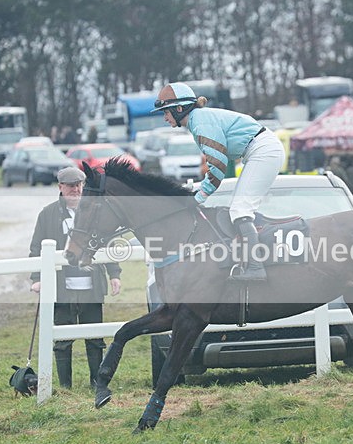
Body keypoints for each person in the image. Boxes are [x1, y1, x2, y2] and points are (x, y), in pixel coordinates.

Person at [151, 82, 285, 281]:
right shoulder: (198, 120)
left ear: (179, 109)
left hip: (263, 151)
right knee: (239, 209)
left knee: (240, 210)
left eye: (166, 112)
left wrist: (198, 197)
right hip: (259, 149)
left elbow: (218, 167)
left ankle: (256, 267)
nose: (165, 117)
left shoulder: (200, 122)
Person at [29, 166, 122, 388]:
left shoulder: (96, 213)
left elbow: (107, 244)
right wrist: (36, 278)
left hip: (92, 286)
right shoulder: (48, 214)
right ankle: (65, 386)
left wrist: (114, 274)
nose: (76, 190)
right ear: (60, 187)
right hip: (62, 287)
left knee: (95, 338)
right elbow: (36, 249)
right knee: (62, 340)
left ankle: (96, 382)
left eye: (79, 185)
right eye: (71, 186)